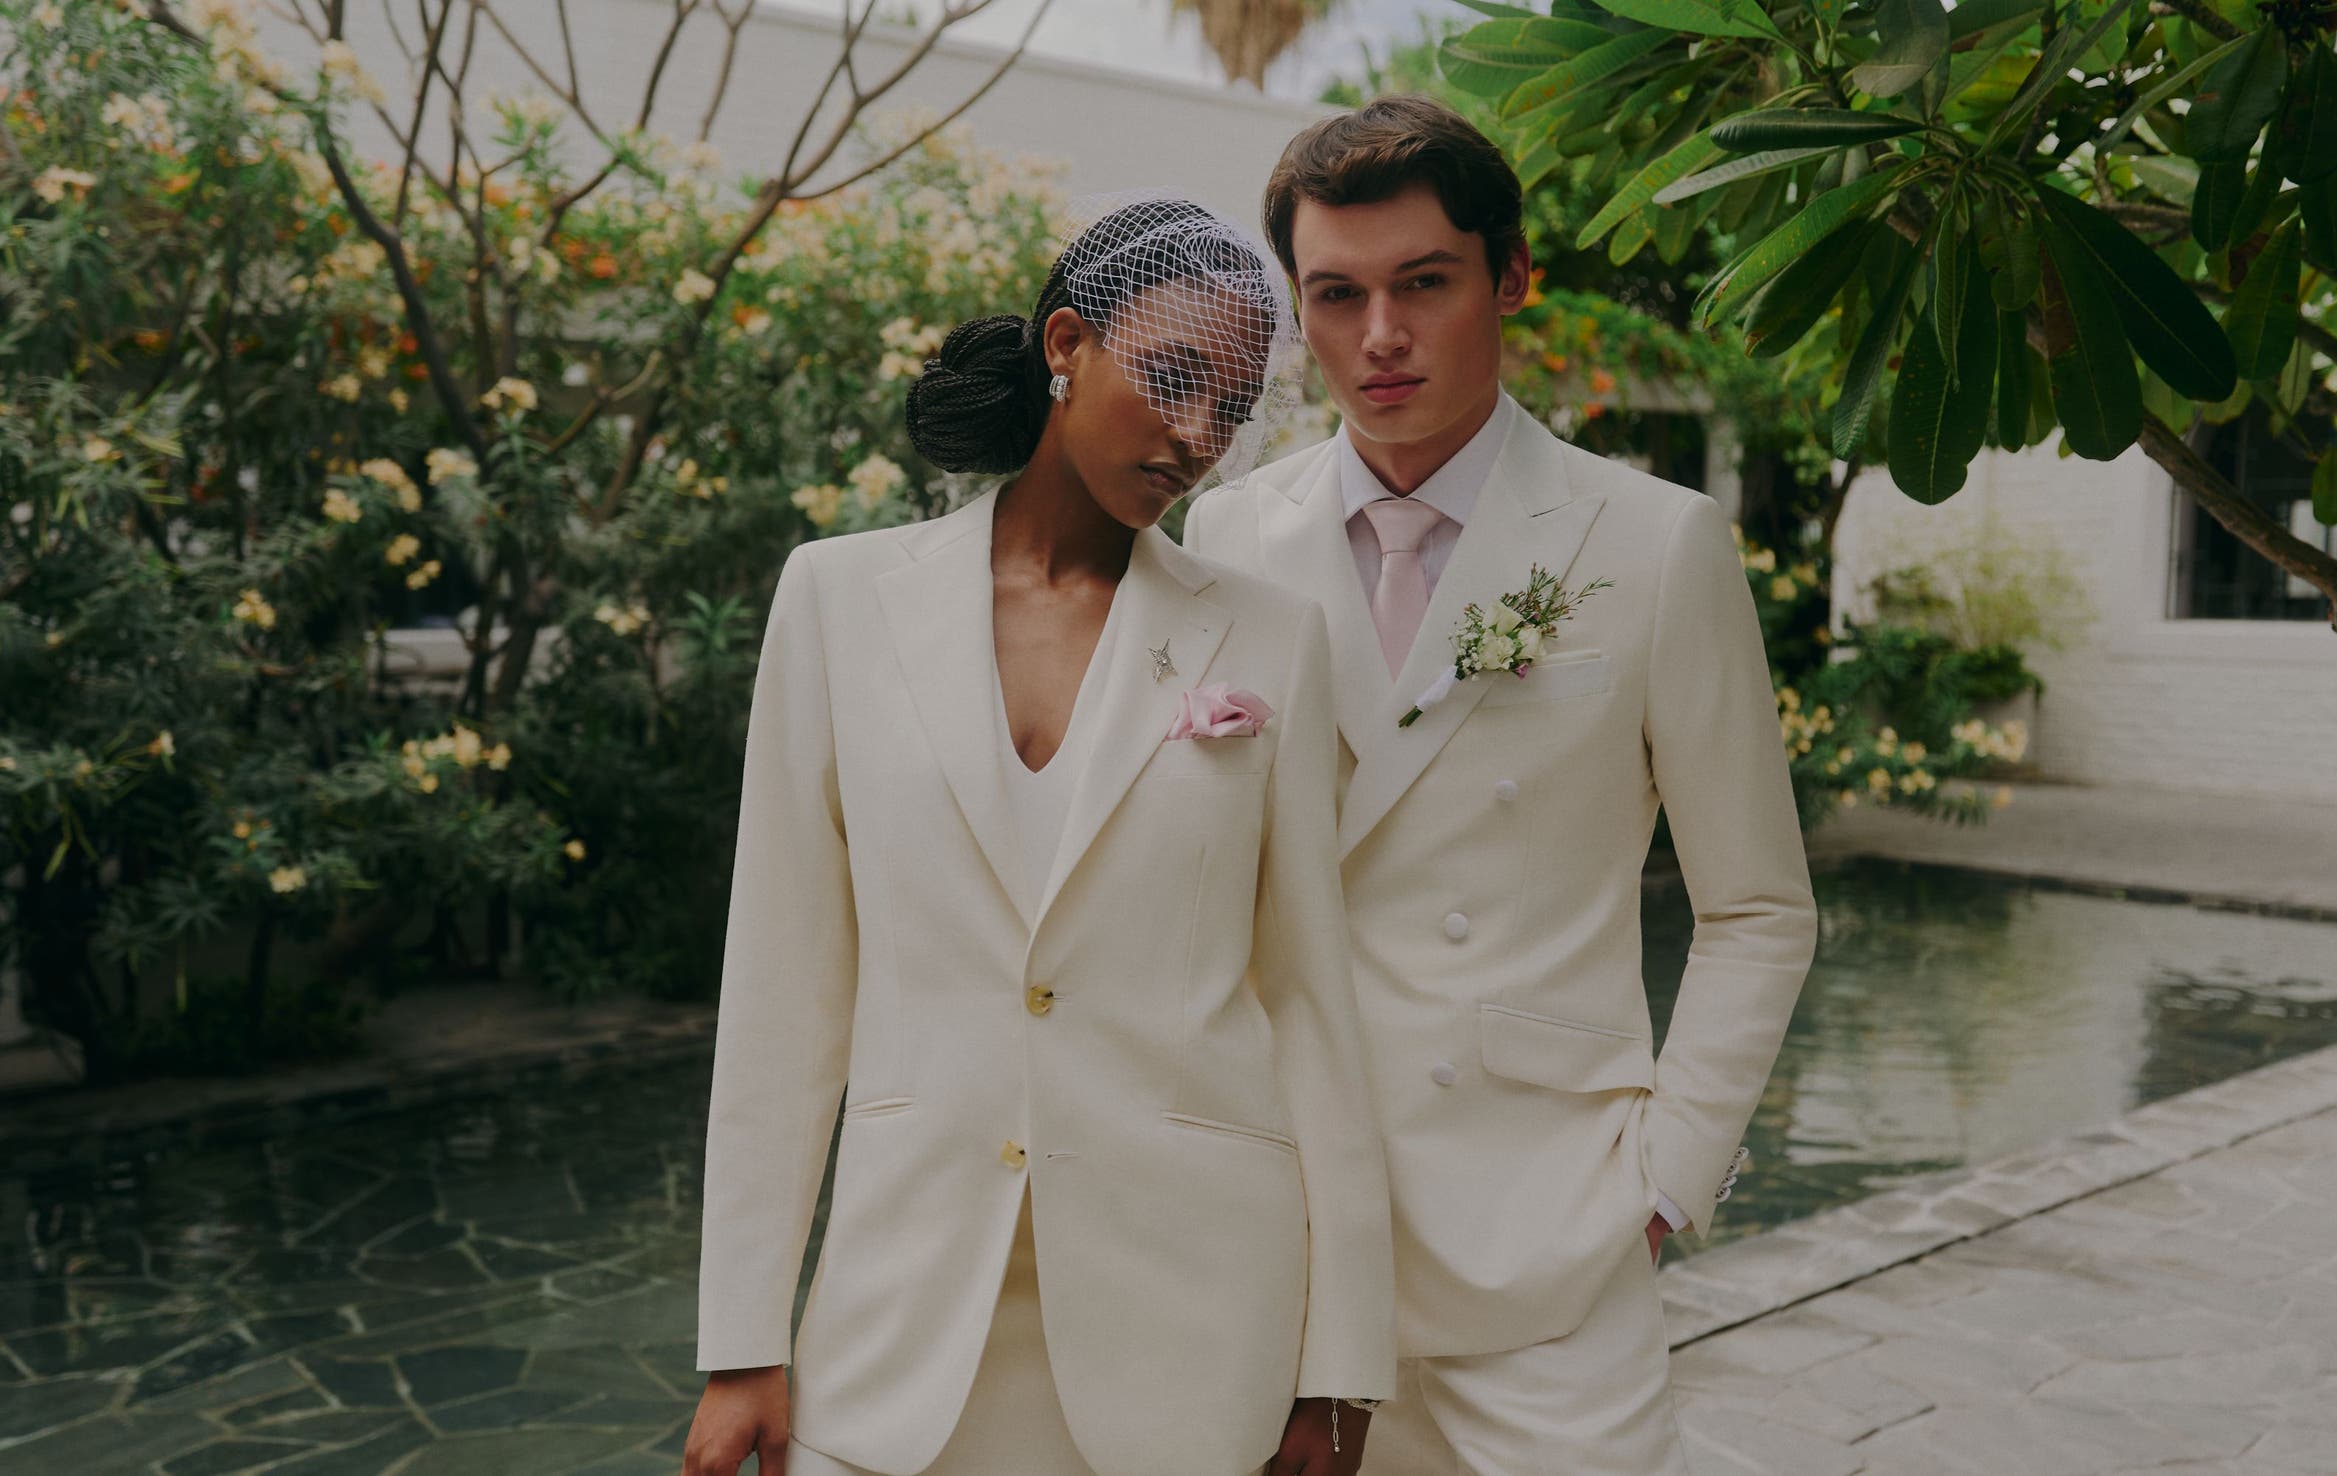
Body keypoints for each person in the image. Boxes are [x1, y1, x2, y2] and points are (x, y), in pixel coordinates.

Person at [682, 197, 1395, 1476]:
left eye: (1229, 408)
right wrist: (742, 1341)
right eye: (1173, 376)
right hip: (898, 1329)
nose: (1196, 436)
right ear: (1066, 344)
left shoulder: (1271, 638)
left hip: (1192, 1326)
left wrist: (1337, 1366)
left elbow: (1309, 1010)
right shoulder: (836, 601)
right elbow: (782, 992)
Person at [1185, 98, 1818, 1475]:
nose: (1382, 338)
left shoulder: (1655, 543)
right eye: (1337, 296)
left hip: (1549, 1247)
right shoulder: (1226, 537)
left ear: (1510, 276)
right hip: (1286, 1234)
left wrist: (1663, 1187)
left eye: (1425, 282)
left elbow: (1761, 906)